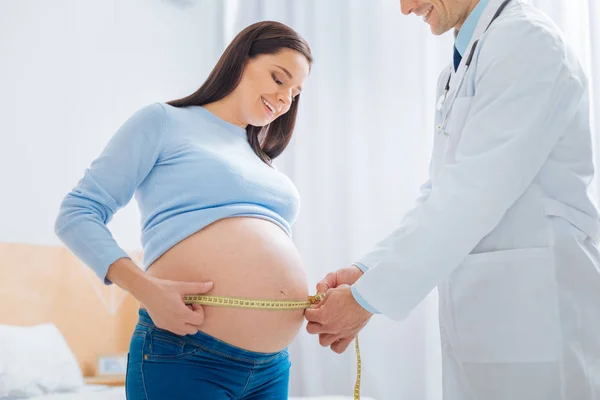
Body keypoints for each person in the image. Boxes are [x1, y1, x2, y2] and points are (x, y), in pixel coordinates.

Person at [305, 0, 600, 399]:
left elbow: (473, 192)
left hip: (536, 319)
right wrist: (366, 271)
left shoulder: (527, 42)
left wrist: (365, 299)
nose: (405, 9)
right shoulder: (464, 64)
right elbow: (441, 193)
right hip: (491, 322)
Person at [55, 20, 311, 399]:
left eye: (295, 92)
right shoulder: (164, 122)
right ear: (241, 60)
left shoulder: (265, 163)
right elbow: (77, 213)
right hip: (186, 352)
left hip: (271, 368)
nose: (285, 98)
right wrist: (146, 290)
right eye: (278, 78)